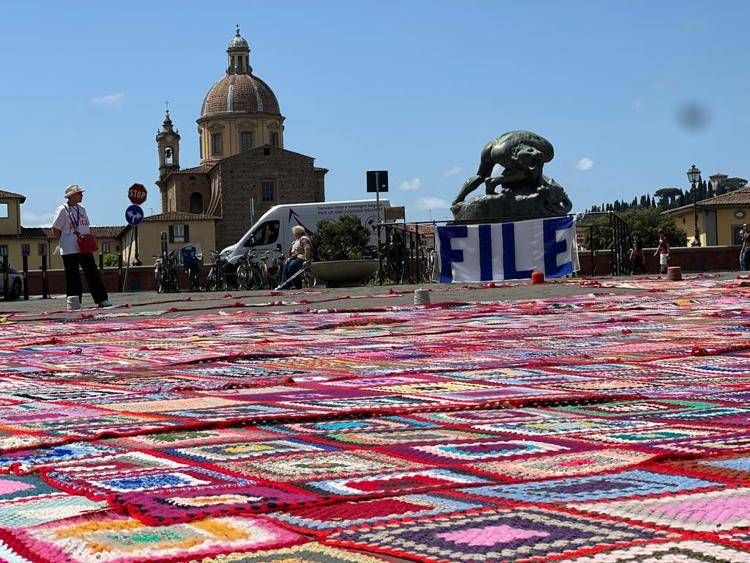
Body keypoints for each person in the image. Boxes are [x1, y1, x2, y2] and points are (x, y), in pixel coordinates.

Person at [51, 185, 112, 310]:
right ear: (71, 196)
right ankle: (74, 302)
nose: (82, 195)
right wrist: (66, 239)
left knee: (92, 273)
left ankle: (102, 299)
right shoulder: (62, 210)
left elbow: (86, 225)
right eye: (79, 193)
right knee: (72, 276)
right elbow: (55, 230)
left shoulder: (82, 209)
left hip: (84, 247)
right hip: (69, 249)